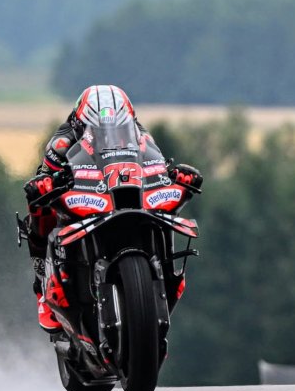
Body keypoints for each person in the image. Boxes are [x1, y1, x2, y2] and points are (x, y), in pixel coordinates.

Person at [22, 84, 202, 332]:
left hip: (123, 197)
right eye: (100, 131)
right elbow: (42, 179)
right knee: (39, 209)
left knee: (164, 212)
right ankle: (42, 286)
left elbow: (159, 167)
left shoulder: (141, 135)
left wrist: (178, 176)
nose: (112, 136)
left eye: (119, 128)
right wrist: (43, 184)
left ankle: (164, 270)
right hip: (84, 197)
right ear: (80, 125)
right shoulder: (61, 143)